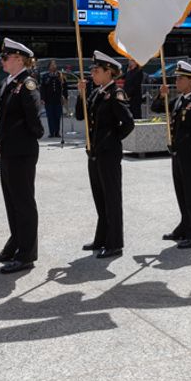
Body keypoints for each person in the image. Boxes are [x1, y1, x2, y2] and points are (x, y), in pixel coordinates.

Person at [0, 38, 44, 274]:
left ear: (19, 59)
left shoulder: (27, 84)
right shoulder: (7, 83)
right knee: (11, 201)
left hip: (21, 151)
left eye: (5, 58)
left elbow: (34, 120)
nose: (2, 61)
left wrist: (22, 137)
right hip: (8, 150)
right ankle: (15, 243)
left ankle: (27, 253)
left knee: (23, 202)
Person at [76, 51, 135, 258]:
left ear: (108, 72)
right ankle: (101, 237)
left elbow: (128, 123)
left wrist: (112, 139)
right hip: (94, 153)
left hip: (108, 153)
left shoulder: (115, 94)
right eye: (92, 70)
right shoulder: (97, 92)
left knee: (111, 198)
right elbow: (80, 115)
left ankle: (114, 243)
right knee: (99, 197)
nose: (92, 73)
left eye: (96, 70)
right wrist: (81, 94)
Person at [151, 60, 191, 248]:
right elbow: (156, 108)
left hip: (189, 154)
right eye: (177, 78)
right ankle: (185, 226)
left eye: (181, 78)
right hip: (177, 154)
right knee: (182, 193)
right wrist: (161, 94)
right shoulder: (180, 100)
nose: (177, 81)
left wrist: (185, 144)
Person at [39, 59, 68, 138]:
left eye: (54, 65)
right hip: (49, 99)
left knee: (57, 116)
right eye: (52, 65)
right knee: (50, 117)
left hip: (58, 99)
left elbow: (64, 87)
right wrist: (42, 98)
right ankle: (51, 132)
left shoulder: (60, 75)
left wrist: (65, 97)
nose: (53, 66)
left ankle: (57, 132)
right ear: (49, 67)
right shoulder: (45, 76)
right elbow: (43, 88)